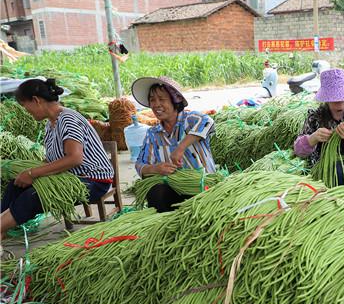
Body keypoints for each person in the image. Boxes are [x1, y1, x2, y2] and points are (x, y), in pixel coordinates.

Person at [1, 79, 114, 237]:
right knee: (17, 184)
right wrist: (29, 172)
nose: (26, 111)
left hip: (93, 181)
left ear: (36, 100)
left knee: (33, 197)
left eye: (25, 106)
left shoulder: (68, 119)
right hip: (71, 176)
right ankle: (3, 229)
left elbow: (75, 158)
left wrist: (33, 173)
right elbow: (52, 159)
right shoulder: (50, 124)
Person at [131, 76, 216, 213]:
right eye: (152, 100)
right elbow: (140, 165)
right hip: (175, 190)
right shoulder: (153, 134)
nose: (156, 104)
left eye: (162, 99)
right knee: (156, 193)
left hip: (202, 187)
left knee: (201, 205)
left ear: (175, 101)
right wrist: (155, 168)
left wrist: (180, 148)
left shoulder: (190, 120)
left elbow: (208, 122)